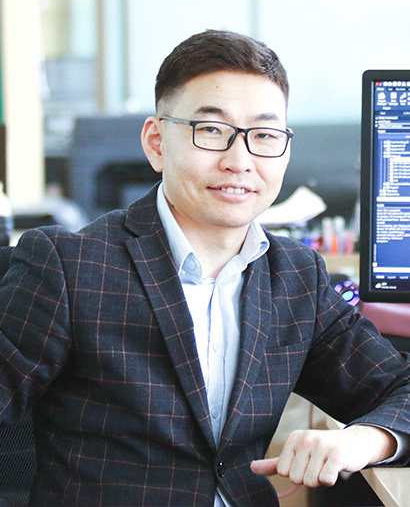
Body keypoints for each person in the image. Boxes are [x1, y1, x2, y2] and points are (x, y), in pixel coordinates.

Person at [0, 29, 409, 506]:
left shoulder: (296, 276)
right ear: (156, 143)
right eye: (211, 130)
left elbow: (398, 385)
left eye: (264, 135)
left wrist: (367, 439)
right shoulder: (71, 266)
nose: (240, 161)